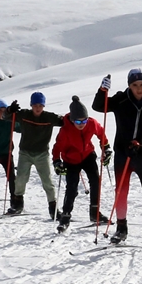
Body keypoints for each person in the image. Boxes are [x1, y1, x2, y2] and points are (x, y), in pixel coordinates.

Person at [93, 68, 142, 247]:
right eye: (135, 85)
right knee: (121, 191)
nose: (139, 88)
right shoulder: (121, 99)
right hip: (123, 153)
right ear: (129, 85)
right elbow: (98, 106)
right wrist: (102, 91)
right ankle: (121, 228)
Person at [52, 96, 111, 233]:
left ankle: (94, 213)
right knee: (72, 188)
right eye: (78, 121)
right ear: (72, 120)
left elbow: (101, 133)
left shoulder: (91, 123)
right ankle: (65, 217)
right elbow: (56, 148)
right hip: (70, 159)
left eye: (84, 120)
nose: (81, 124)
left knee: (95, 180)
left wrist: (106, 147)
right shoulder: (65, 130)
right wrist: (56, 162)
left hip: (87, 155)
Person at [5, 92, 63, 219]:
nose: (38, 108)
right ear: (31, 105)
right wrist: (10, 109)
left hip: (42, 154)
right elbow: (5, 117)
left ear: (43, 106)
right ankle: (18, 204)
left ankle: (53, 209)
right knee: (20, 179)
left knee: (47, 181)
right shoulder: (24, 114)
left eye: (40, 105)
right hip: (25, 153)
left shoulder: (49, 117)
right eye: (35, 105)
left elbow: (66, 121)